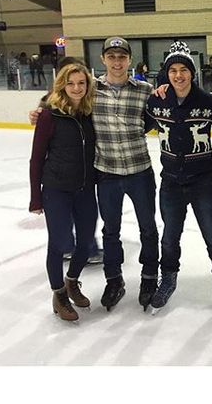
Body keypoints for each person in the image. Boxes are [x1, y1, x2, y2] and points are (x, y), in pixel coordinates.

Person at [31, 37, 159, 312]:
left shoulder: (146, 90)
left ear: (129, 59)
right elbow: (60, 102)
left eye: (122, 56)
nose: (117, 62)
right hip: (107, 174)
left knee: (148, 228)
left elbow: (155, 117)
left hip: (139, 171)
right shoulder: (92, 90)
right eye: (111, 56)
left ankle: (149, 278)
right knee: (110, 231)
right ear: (103, 59)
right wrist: (40, 111)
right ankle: (114, 280)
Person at [146, 41, 212, 314]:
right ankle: (168, 279)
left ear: (192, 73)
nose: (178, 75)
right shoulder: (157, 101)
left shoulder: (208, 102)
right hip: (170, 182)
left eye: (183, 70)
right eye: (173, 70)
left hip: (202, 182)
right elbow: (137, 125)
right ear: (167, 73)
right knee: (169, 238)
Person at [29, 62, 98, 321]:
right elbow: (37, 158)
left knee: (86, 242)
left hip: (85, 189)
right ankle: (59, 294)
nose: (76, 88)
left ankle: (71, 281)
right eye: (71, 83)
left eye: (81, 83)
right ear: (62, 86)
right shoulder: (49, 115)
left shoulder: (90, 112)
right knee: (58, 243)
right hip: (56, 189)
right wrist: (36, 197)